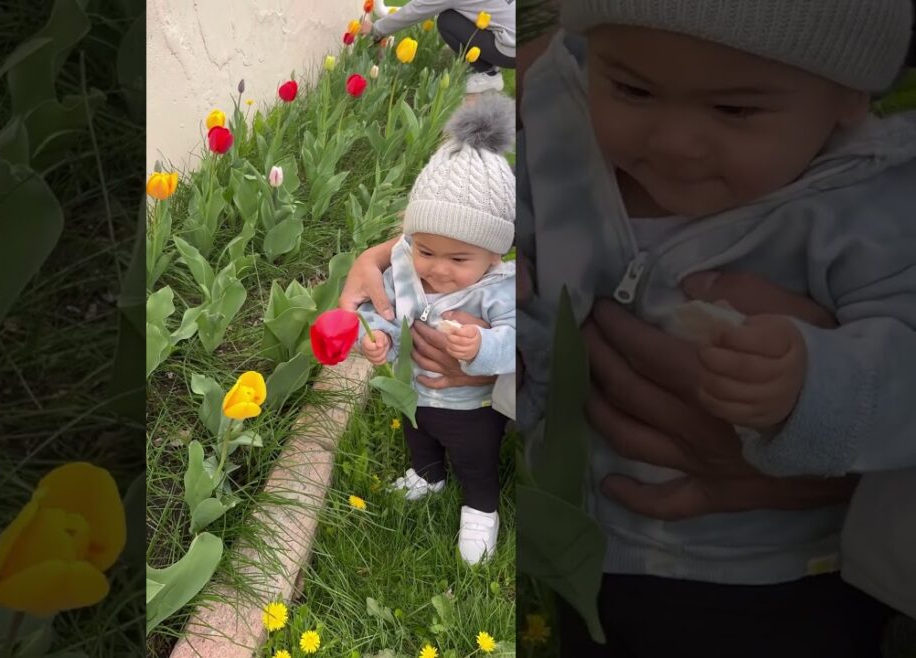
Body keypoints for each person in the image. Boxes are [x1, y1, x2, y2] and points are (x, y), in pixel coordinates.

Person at [517, 1, 916, 656]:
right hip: (590, 550)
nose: (674, 140)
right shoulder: (561, 127)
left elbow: (906, 363)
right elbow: (526, 266)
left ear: (849, 95)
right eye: (633, 89)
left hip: (778, 577)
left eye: (733, 110)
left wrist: (812, 387)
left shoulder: (872, 204)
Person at [355, 94, 516, 566]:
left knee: (475, 457)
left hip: (472, 405)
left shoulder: (498, 289)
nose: (439, 270)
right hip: (416, 391)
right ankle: (427, 475)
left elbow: (518, 341)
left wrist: (483, 345)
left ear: (494, 255)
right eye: (425, 251)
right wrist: (377, 337)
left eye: (459, 259)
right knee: (417, 433)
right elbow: (382, 306)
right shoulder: (405, 270)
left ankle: (481, 507)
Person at [361, 0, 516, 95]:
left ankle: (489, 74)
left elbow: (415, 11)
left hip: (511, 50)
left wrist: (376, 30)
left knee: (447, 21)